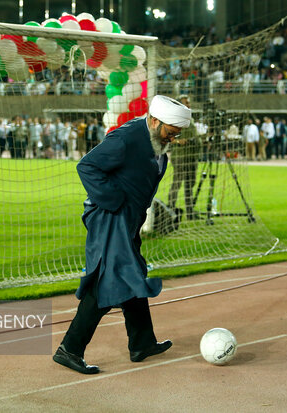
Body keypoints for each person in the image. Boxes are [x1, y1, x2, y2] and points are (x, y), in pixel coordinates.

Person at [53, 95, 191, 375]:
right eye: (170, 133)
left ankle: (142, 343)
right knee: (108, 278)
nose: (172, 140)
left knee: (132, 274)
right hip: (110, 216)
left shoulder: (155, 139)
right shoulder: (127, 137)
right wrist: (114, 200)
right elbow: (87, 166)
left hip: (128, 219)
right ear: (154, 121)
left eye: (176, 135)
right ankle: (70, 349)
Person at [167, 94, 201, 221]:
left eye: (189, 102)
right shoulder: (173, 119)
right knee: (177, 183)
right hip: (180, 156)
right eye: (186, 102)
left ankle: (190, 211)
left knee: (189, 185)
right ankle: (170, 209)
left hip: (192, 156)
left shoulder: (190, 119)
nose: (189, 104)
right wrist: (177, 141)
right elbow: (166, 136)